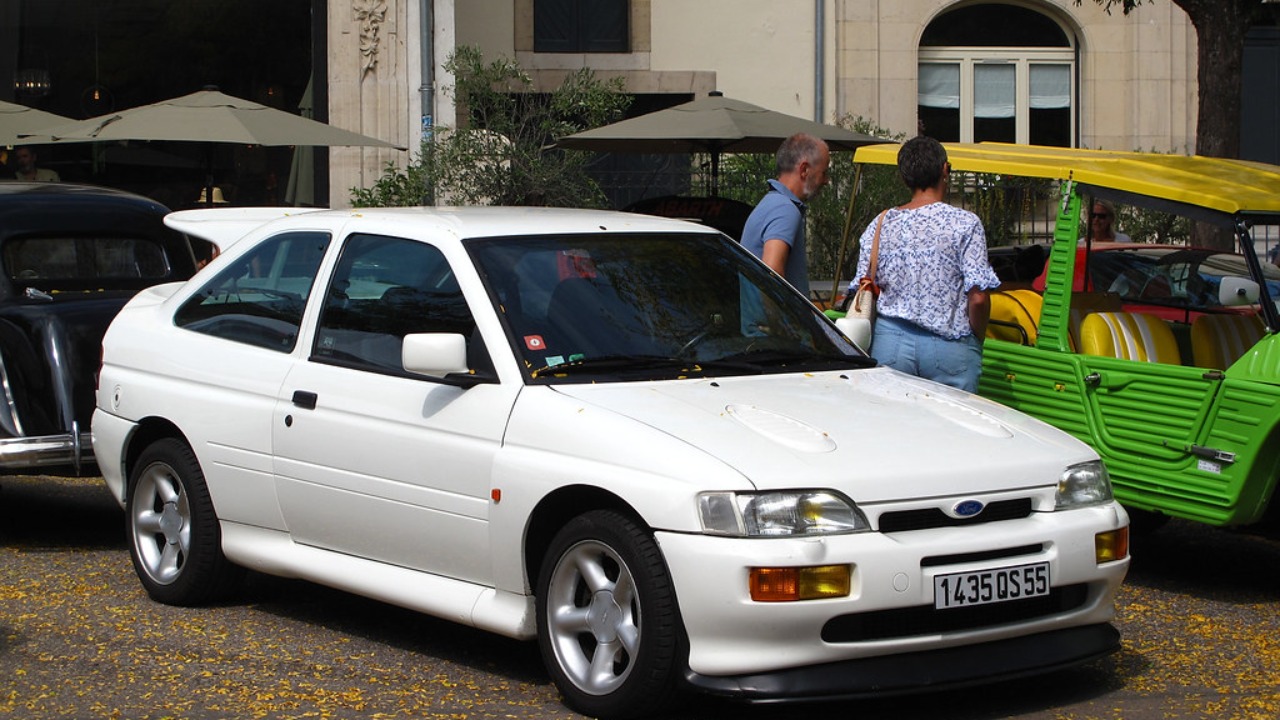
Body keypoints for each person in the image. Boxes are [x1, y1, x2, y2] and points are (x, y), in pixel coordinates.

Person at [852, 135, 1000, 393]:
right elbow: (977, 298)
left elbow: (862, 285)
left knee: (895, 425)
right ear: (945, 170)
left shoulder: (881, 223)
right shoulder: (965, 223)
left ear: (903, 177)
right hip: (949, 345)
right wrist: (975, 339)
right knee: (952, 429)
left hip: (891, 342)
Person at [740, 133, 831, 296]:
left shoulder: (771, 203)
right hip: (773, 322)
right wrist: (783, 321)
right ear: (804, 170)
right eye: (823, 173)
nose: (826, 181)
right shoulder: (785, 209)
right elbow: (772, 271)